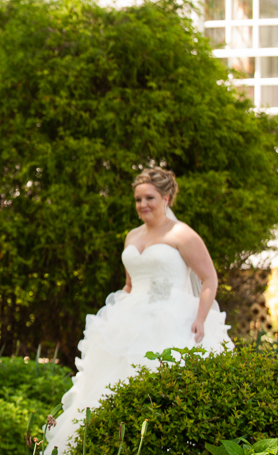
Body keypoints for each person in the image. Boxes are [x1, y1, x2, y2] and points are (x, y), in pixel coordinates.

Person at [44, 168, 231, 454]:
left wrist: (201, 319)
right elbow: (130, 284)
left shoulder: (182, 234)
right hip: (131, 319)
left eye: (149, 198)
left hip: (172, 319)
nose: (142, 204)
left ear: (166, 198)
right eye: (138, 199)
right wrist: (115, 315)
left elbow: (209, 279)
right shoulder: (132, 236)